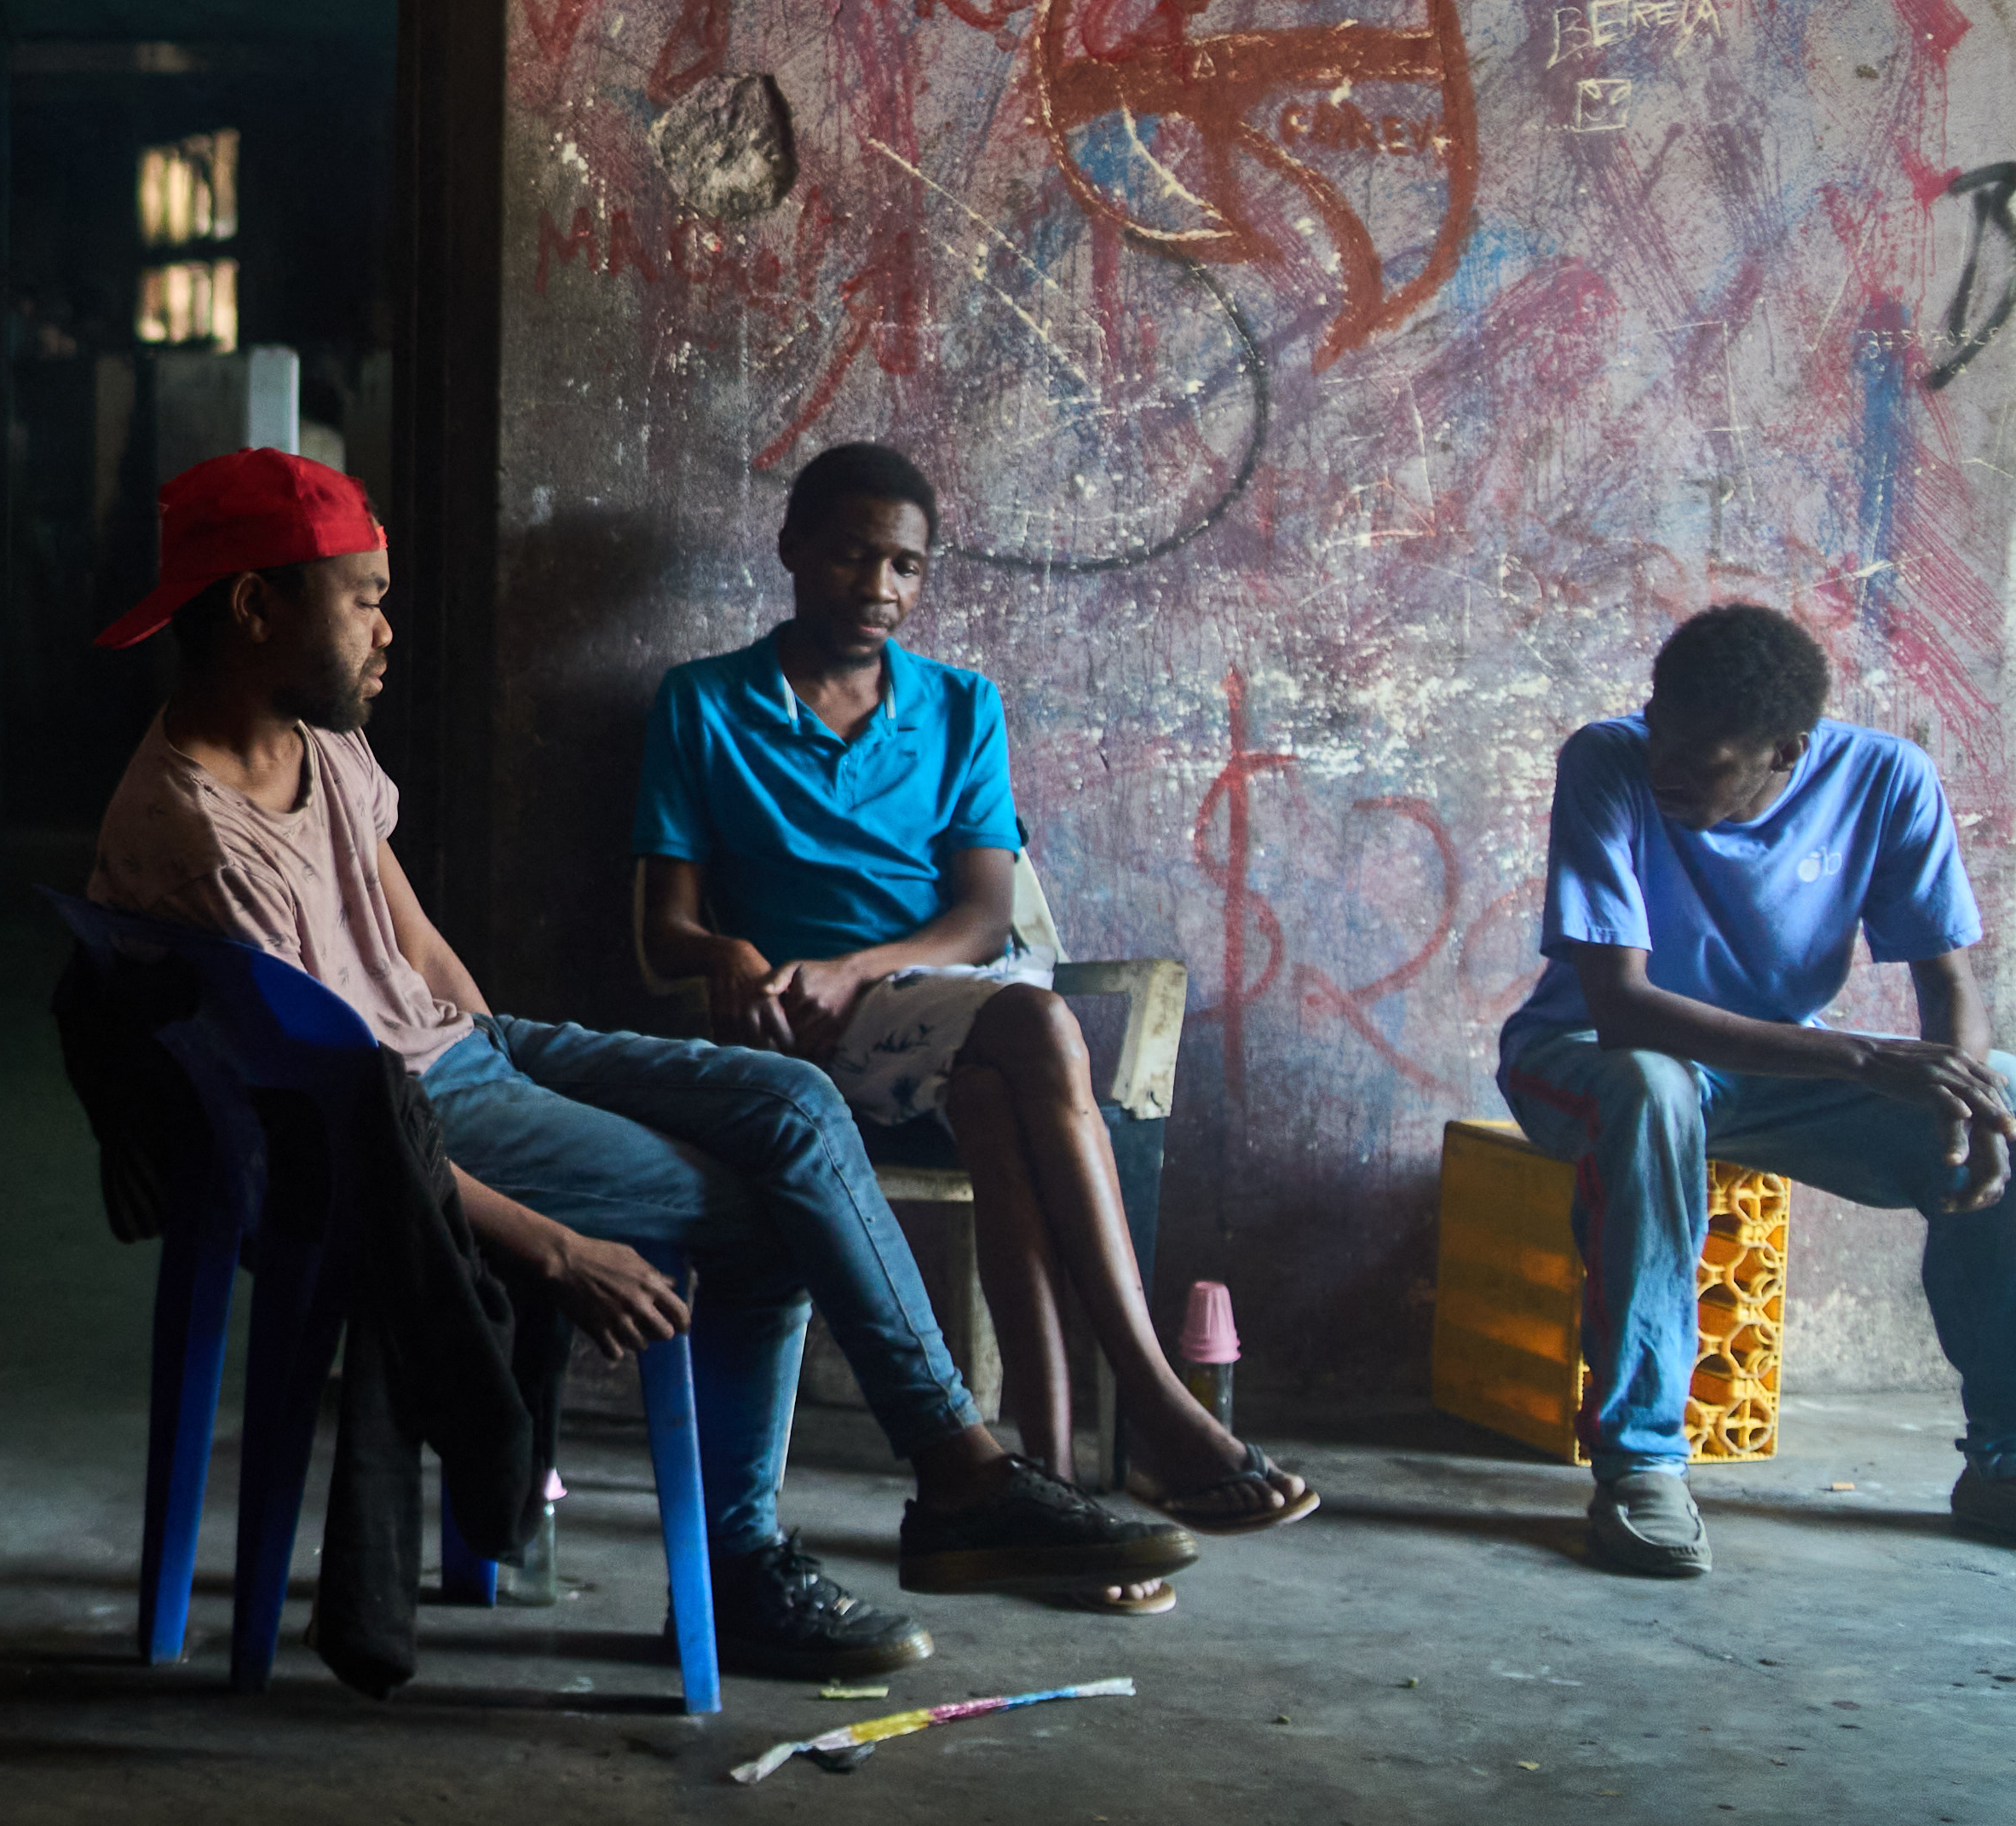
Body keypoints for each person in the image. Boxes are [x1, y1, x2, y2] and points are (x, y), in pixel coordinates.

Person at [85, 446, 1195, 1680]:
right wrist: (549, 1244)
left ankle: (953, 1469)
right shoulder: (194, 838)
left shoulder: (313, 733)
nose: (387, 630)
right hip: (388, 1124)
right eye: (361, 598)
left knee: (789, 1101)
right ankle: (762, 1559)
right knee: (771, 1221)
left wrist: (506, 1053)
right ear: (253, 608)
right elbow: (330, 1132)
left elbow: (405, 932)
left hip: (462, 1059)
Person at [629, 443, 1315, 1548]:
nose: (876, 589)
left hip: (938, 1002)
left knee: (1005, 1086)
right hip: (806, 1037)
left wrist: (861, 964)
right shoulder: (702, 704)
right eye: (851, 557)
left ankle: (1043, 1488)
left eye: (903, 566)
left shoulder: (958, 706)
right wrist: (730, 957)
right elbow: (660, 932)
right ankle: (1146, 1406)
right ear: (791, 548)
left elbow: (982, 918)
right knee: (1032, 1025)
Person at [1497, 602, 2016, 1575]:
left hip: (1771, 1071)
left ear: (1785, 751)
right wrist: (1855, 1056)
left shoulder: (1886, 777)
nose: (1666, 769)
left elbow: (1945, 983)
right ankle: (1638, 1462)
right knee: (1650, 1088)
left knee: (2006, 1088)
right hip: (1582, 1054)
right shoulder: (1606, 758)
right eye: (1661, 735)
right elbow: (1623, 1006)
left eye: (1705, 757)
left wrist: (1964, 1097)